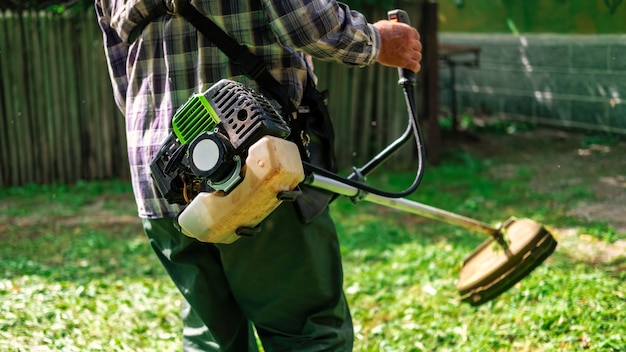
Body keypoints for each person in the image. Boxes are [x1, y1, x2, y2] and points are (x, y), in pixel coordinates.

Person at [96, 0, 422, 350]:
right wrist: (376, 40)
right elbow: (303, 23)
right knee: (305, 334)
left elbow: (121, 80)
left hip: (161, 173)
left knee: (212, 340)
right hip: (254, 164)